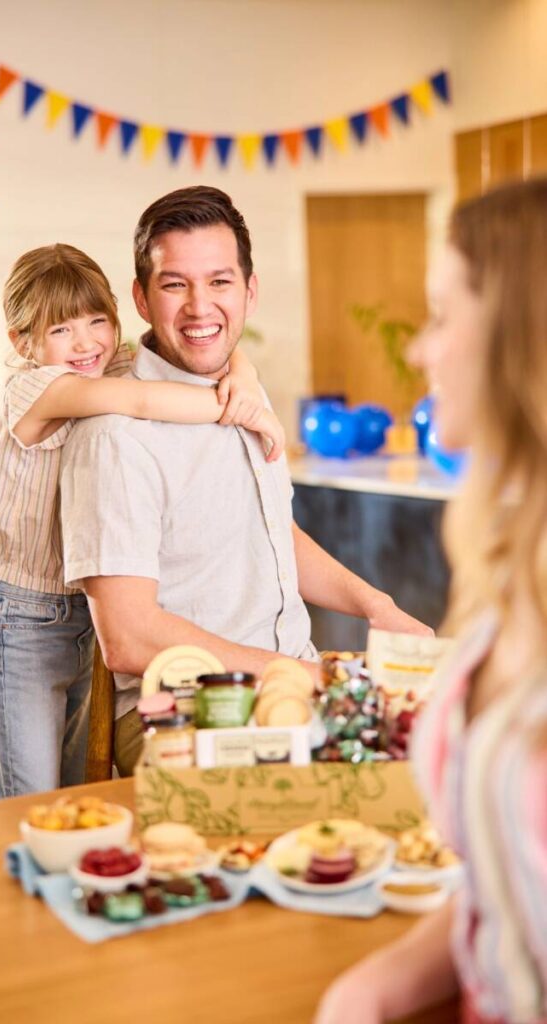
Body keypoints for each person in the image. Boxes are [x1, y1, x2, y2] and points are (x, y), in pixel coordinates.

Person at [59, 186, 431, 777]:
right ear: (141, 298)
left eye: (220, 282)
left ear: (250, 292)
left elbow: (270, 531)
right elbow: (127, 636)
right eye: (175, 284)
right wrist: (303, 675)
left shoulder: (241, 393)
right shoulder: (116, 437)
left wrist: (375, 605)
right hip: (183, 711)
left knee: (445, 763)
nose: (199, 307)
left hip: (290, 683)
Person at [315, 178, 547, 1024]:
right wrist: (379, 987)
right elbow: (501, 885)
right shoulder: (505, 572)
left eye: (442, 316)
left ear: (520, 336)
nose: (419, 351)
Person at [0, 242, 284, 799]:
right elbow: (141, 403)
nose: (86, 342)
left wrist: (245, 368)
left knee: (72, 789)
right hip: (17, 617)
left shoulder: (99, 363)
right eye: (61, 330)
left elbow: (184, 364)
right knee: (29, 794)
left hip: (80, 610)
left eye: (98, 321)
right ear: (22, 342)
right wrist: (246, 410)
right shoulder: (35, 387)